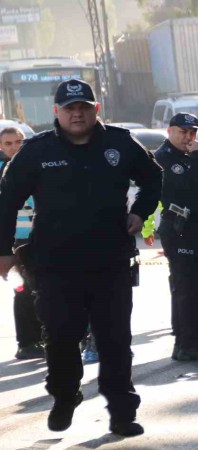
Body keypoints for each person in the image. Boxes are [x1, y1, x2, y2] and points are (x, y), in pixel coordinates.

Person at [0, 79, 161, 436]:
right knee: (60, 336)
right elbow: (6, 201)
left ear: (95, 109)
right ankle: (64, 395)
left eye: (84, 107)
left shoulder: (119, 143)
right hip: (56, 265)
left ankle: (122, 411)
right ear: (56, 112)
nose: (77, 114)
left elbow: (153, 178)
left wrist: (141, 211)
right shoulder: (36, 151)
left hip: (111, 261)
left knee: (115, 339)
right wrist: (4, 251)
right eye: (69, 108)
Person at [151, 112, 198, 362]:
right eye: (183, 132)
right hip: (180, 229)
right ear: (169, 131)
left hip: (194, 228)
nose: (188, 137)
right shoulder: (165, 158)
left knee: (196, 287)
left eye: (192, 133)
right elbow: (190, 183)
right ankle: (188, 344)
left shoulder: (182, 156)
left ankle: (188, 341)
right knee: (188, 288)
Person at [0, 126, 44, 360]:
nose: (14, 147)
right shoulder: (3, 172)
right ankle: (27, 342)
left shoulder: (34, 166)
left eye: (18, 142)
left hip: (39, 237)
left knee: (44, 289)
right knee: (24, 290)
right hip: (15, 241)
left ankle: (43, 337)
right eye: (8, 144)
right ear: (0, 147)